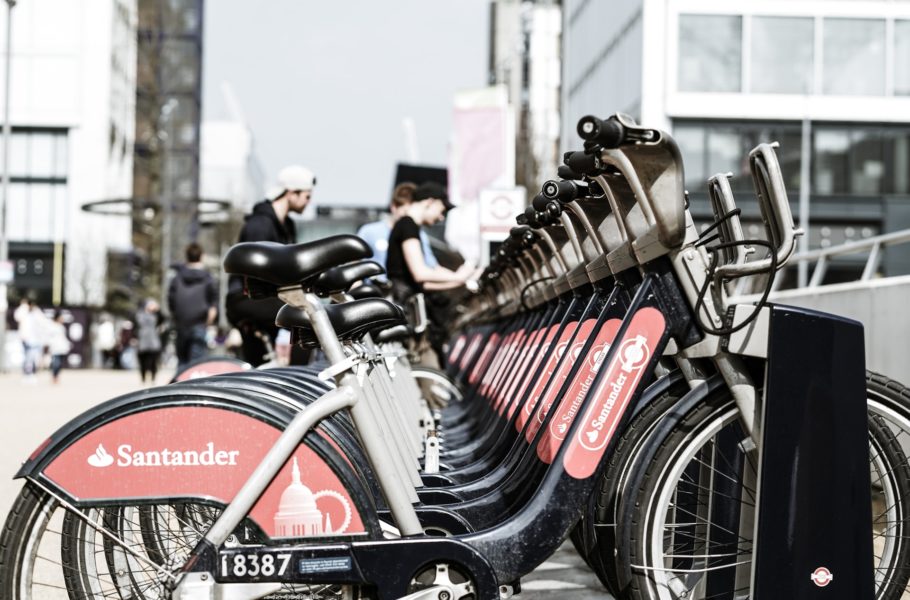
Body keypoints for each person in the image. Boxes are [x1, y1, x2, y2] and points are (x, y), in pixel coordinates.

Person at [225, 164, 315, 366]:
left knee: (258, 363)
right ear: (292, 193)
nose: (309, 202)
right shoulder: (260, 225)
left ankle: (279, 383)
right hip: (246, 297)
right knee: (306, 318)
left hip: (266, 297)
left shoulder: (287, 226)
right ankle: (299, 381)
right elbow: (254, 272)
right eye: (307, 196)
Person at [385, 181, 477, 363]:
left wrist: (461, 280)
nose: (441, 218)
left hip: (409, 311)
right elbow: (421, 273)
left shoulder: (408, 226)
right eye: (442, 210)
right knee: (428, 369)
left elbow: (422, 281)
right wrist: (459, 277)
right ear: (430, 202)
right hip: (410, 313)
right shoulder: (408, 226)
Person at [356, 182, 439, 278]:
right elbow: (355, 263)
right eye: (405, 213)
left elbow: (431, 265)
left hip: (401, 290)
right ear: (394, 207)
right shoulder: (369, 232)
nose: (408, 219)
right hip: (374, 290)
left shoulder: (419, 235)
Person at [168, 242, 218, 371]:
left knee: (182, 363)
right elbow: (213, 304)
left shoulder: (177, 278)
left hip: (181, 324)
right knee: (196, 365)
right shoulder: (208, 278)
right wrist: (208, 322)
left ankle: (180, 389)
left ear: (187, 257)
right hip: (199, 323)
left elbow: (171, 301)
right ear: (201, 256)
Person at [135, 299, 163, 384]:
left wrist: (158, 310)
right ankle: (143, 378)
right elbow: (134, 326)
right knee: (143, 361)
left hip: (153, 341)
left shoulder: (156, 316)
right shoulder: (139, 314)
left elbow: (163, 319)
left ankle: (153, 378)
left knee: (153, 361)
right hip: (142, 341)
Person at [47, 311, 71, 384]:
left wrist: (67, 344)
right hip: (55, 347)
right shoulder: (51, 326)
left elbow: (63, 337)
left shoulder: (62, 327)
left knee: (60, 363)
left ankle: (56, 376)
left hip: (62, 347)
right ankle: (54, 376)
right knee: (56, 363)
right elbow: (49, 337)